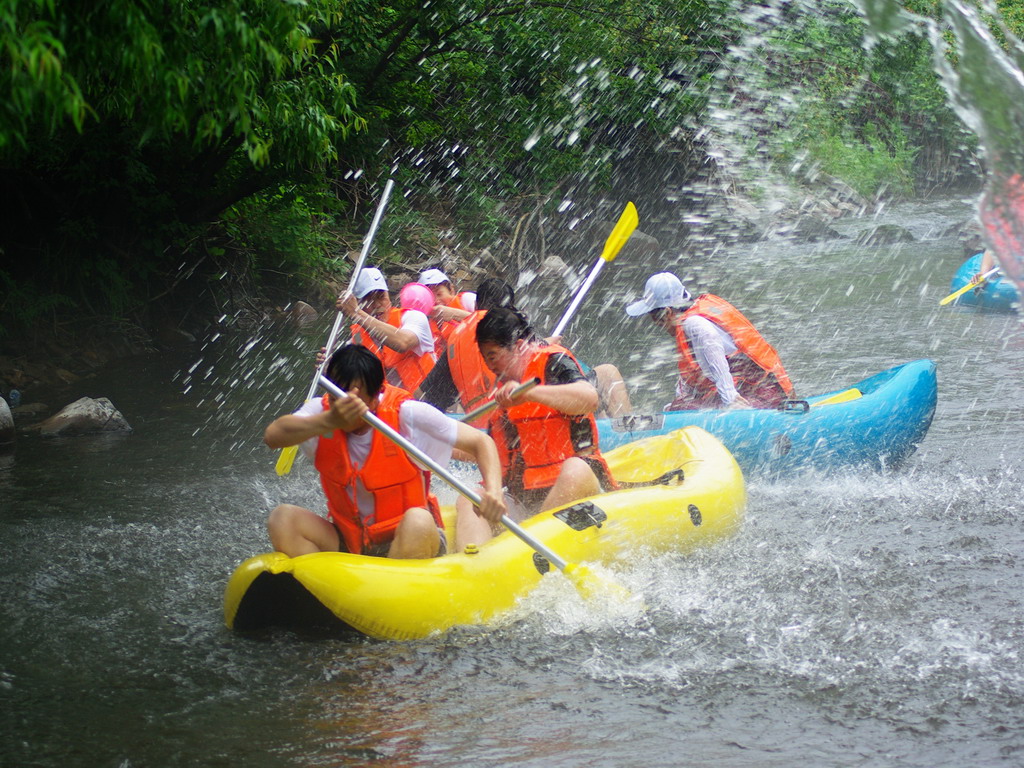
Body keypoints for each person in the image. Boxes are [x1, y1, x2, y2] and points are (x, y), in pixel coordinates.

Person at [263, 344, 505, 558]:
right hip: (351, 542)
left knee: (418, 521)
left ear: (377, 397)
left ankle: (385, 596)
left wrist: (494, 491)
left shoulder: (409, 415)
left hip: (410, 537)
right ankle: (325, 593)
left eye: (357, 404)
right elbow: (273, 437)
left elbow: (481, 443)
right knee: (282, 519)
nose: (347, 411)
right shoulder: (321, 413)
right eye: (339, 401)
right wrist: (328, 421)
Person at [456, 306, 616, 547]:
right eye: (486, 358)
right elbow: (490, 451)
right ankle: (472, 568)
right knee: (470, 497)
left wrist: (531, 393)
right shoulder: (502, 392)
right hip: (526, 501)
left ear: (519, 345)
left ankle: (529, 548)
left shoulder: (554, 361)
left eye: (493, 356)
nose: (490, 366)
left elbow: (589, 398)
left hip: (578, 487)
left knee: (575, 469)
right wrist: (435, 442)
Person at [625, 272, 794, 410]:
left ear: (668, 312)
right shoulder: (693, 318)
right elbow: (690, 380)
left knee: (680, 408)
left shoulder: (693, 323)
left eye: (655, 318)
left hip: (764, 396)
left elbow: (711, 343)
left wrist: (730, 397)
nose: (657, 325)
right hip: (771, 391)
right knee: (678, 406)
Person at [337, 267, 437, 392]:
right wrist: (327, 367)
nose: (377, 305)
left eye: (381, 297)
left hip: (428, 401)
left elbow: (402, 343)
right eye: (369, 300)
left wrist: (357, 314)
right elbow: (343, 380)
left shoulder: (414, 318)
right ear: (359, 303)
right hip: (388, 407)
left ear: (388, 295)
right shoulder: (355, 341)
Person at [419, 268, 477, 343]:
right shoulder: (426, 324)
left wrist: (454, 314)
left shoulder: (466, 299)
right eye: (430, 297)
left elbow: (491, 321)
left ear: (451, 290)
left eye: (439, 294)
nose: (436, 301)